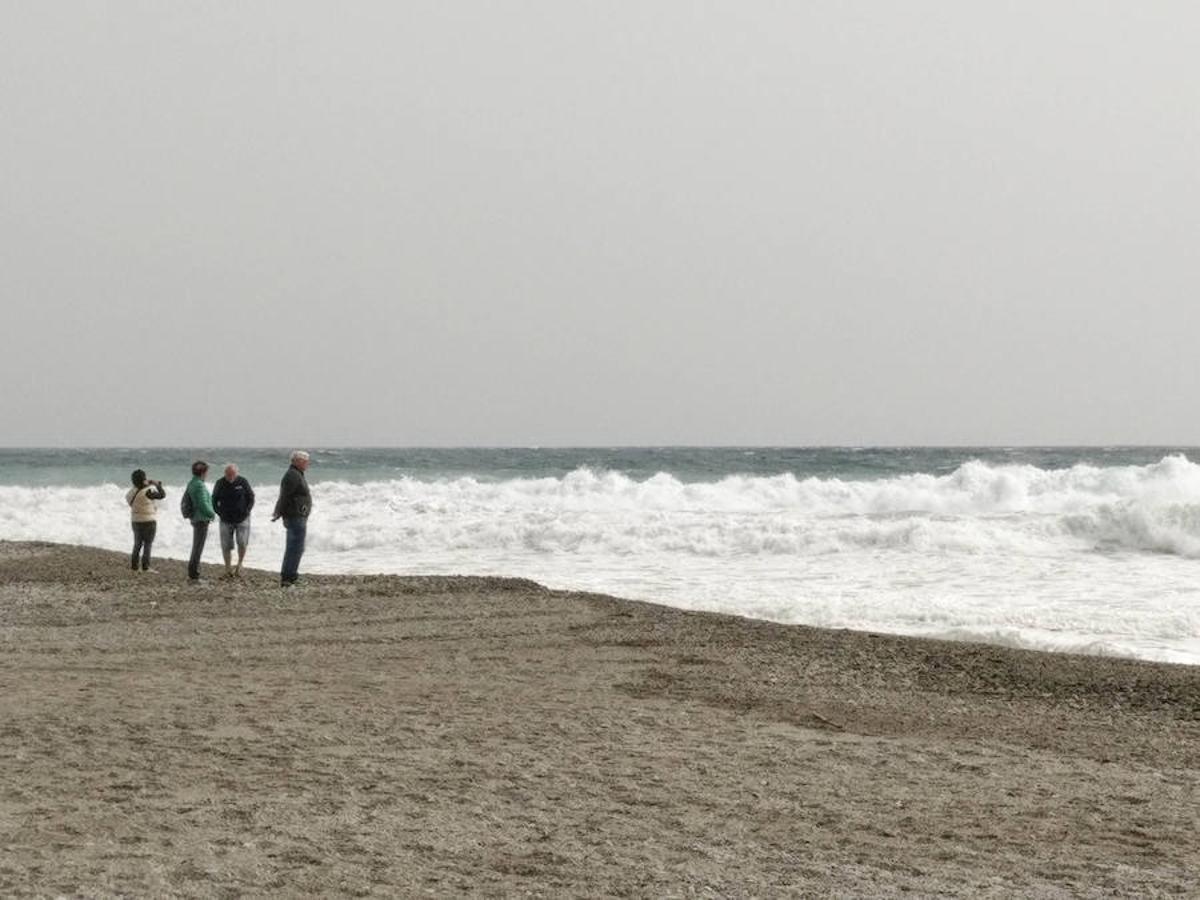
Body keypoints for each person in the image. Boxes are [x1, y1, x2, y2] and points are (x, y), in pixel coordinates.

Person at [272, 450, 312, 587]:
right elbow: (285, 496)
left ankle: (291, 575)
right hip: (294, 516)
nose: (307, 464)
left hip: (298, 516)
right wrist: (278, 512)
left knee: (297, 547)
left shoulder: (297, 474)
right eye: (305, 461)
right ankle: (288, 577)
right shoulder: (292, 475)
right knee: (294, 547)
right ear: (297, 461)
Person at [212, 463, 255, 578]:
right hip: (226, 519)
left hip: (242, 518)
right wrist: (219, 512)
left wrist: (247, 511)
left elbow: (251, 497)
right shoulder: (220, 483)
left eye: (232, 474)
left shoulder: (243, 482)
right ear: (225, 473)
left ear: (236, 473)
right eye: (228, 474)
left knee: (242, 542)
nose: (230, 476)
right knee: (226, 545)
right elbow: (214, 500)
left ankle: (240, 564)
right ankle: (227, 568)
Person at [125, 469, 166, 572]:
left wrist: (146, 484)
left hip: (135, 521)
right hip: (148, 521)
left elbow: (130, 498)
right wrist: (157, 485)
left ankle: (134, 567)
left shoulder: (131, 492)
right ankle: (145, 567)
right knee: (147, 544)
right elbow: (162, 495)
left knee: (137, 544)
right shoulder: (148, 491)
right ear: (144, 479)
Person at [185, 460, 217, 583]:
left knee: (197, 546)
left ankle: (193, 571)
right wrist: (211, 514)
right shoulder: (199, 485)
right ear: (203, 472)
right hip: (201, 519)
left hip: (196, 518)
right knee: (198, 546)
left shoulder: (192, 483)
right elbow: (202, 503)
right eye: (207, 471)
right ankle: (194, 573)